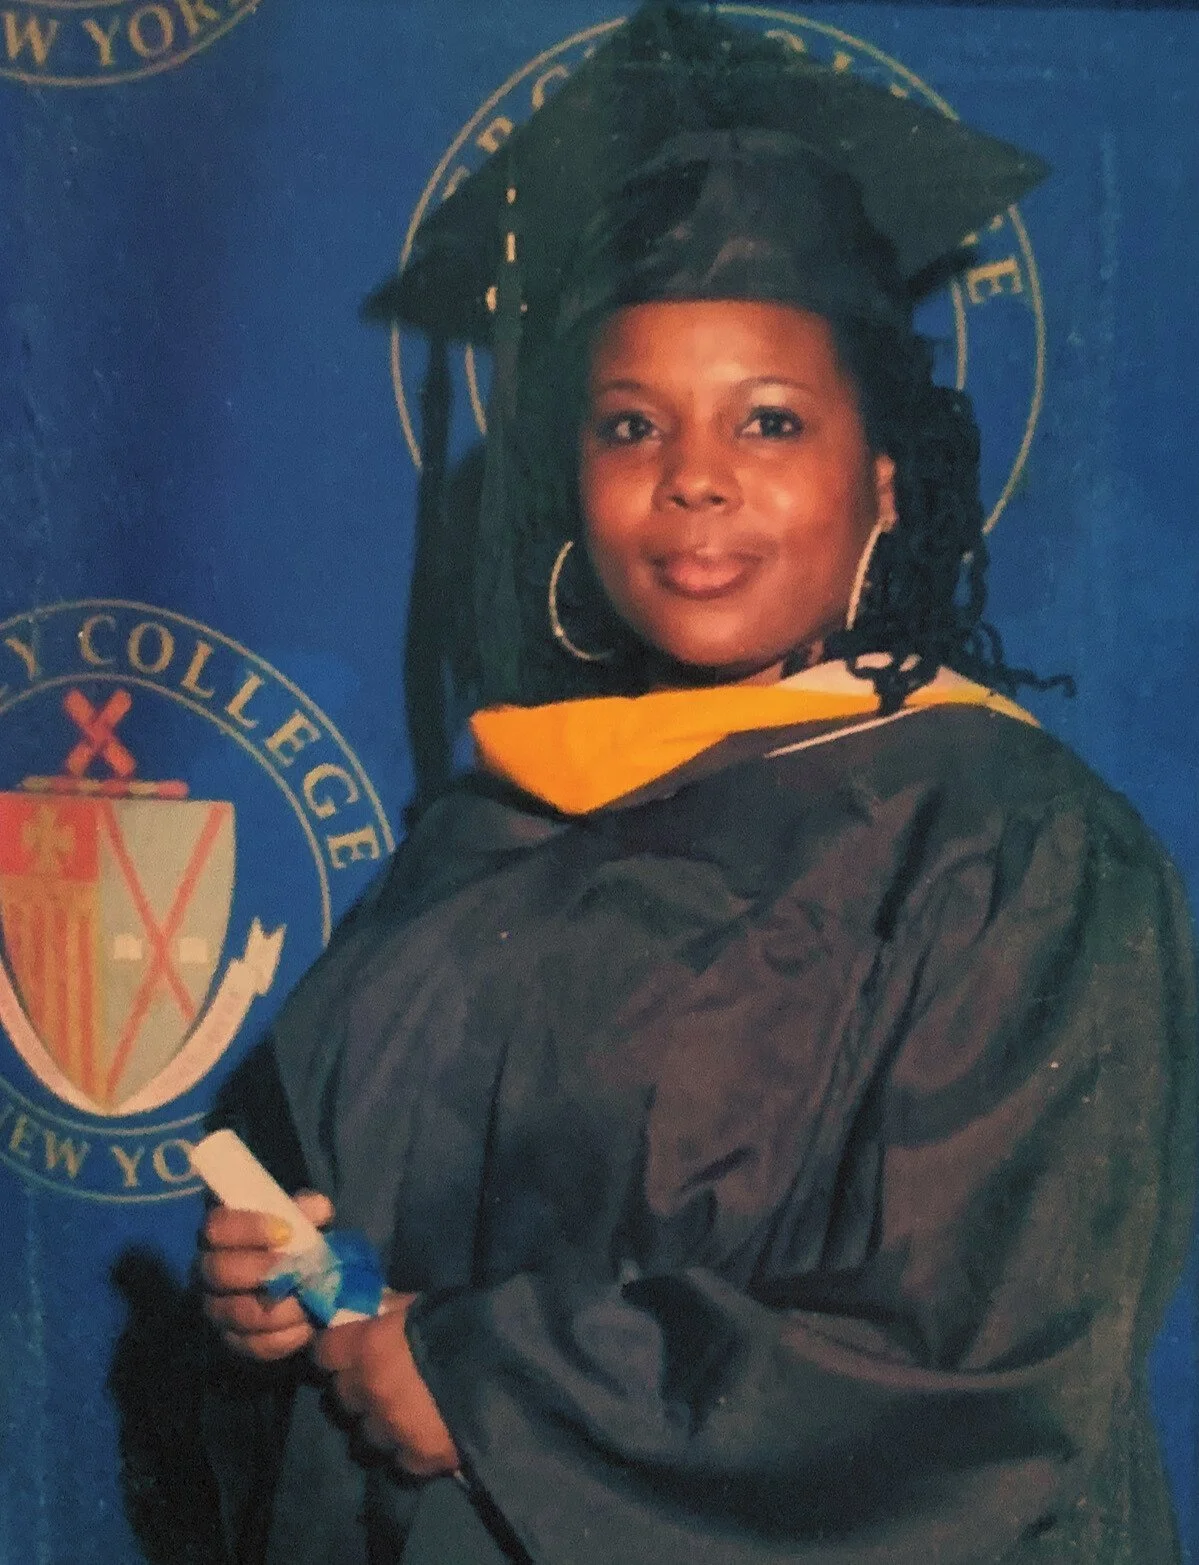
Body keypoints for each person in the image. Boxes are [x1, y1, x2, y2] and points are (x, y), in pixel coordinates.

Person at [196, 5, 1197, 1562]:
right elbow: (390, 1210)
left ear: (882, 483)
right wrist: (296, 1288)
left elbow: (981, 1376)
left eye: (770, 421)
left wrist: (487, 1387)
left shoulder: (1010, 849)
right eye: (629, 423)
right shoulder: (497, 821)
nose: (694, 476)